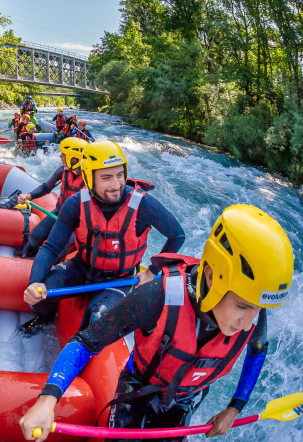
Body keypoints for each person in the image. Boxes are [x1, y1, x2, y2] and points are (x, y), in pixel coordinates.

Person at [19, 204, 293, 442]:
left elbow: (258, 352)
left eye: (256, 310)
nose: (248, 324)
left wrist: (235, 407)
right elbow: (86, 341)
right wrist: (48, 399)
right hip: (136, 393)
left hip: (185, 401)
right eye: (242, 307)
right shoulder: (159, 296)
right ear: (211, 276)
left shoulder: (255, 312)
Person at [20, 140, 185, 335]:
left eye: (120, 175)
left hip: (120, 278)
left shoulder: (144, 205)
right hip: (81, 268)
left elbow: (177, 235)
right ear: (89, 177)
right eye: (106, 177)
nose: (116, 185)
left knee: (96, 319)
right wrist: (35, 282)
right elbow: (51, 248)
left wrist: (152, 271)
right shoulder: (75, 204)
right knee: (41, 296)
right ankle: (46, 317)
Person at [16, 138, 87, 257]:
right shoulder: (62, 171)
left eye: (63, 154)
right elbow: (46, 187)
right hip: (60, 212)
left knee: (60, 250)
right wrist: (29, 196)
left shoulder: (91, 178)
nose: (60, 157)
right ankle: (29, 258)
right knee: (34, 237)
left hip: (78, 221)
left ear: (73, 157)